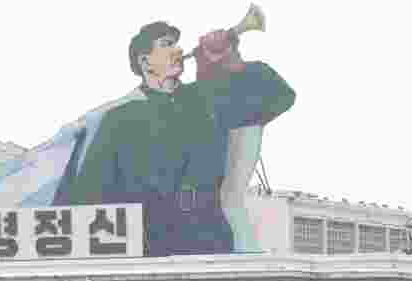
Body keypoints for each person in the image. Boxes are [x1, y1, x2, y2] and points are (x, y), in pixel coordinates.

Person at [61, 21, 295, 256]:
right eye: (166, 45)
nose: (179, 51)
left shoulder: (208, 97)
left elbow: (279, 95)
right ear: (145, 62)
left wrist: (232, 61)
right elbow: (88, 196)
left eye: (178, 45)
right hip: (148, 246)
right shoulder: (119, 118)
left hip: (209, 240)